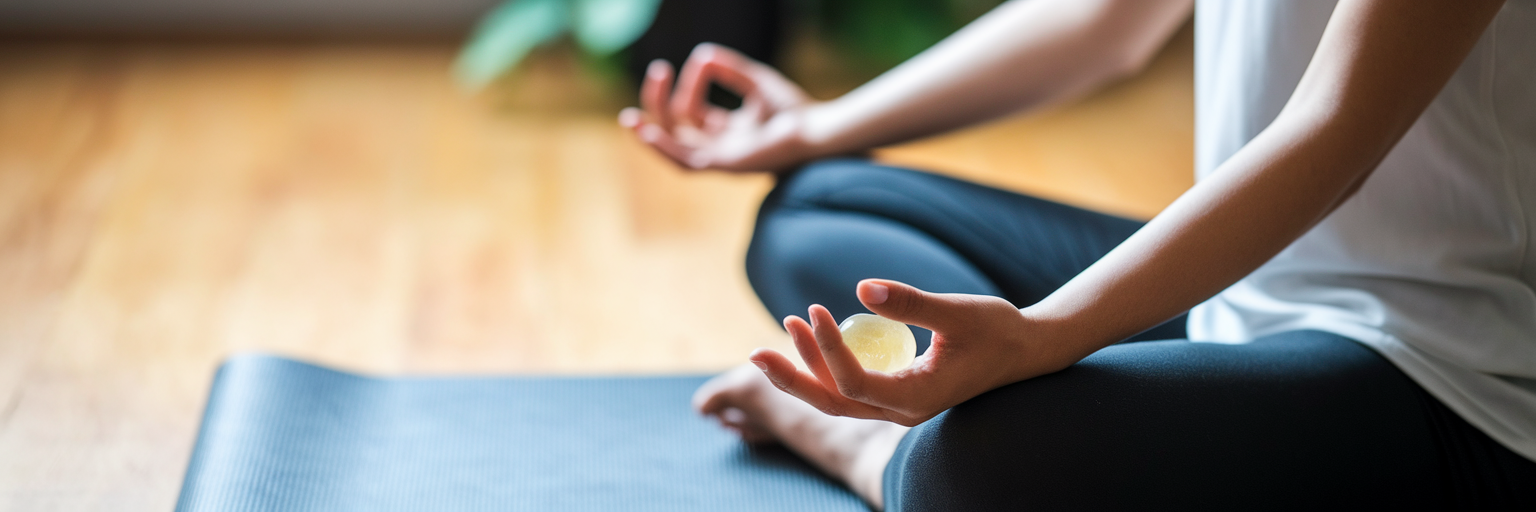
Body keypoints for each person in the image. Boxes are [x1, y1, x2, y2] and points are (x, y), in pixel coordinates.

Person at [618, 0, 1536, 508]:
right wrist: (817, 126)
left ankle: (866, 451)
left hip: (1443, 371)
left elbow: (1334, 133)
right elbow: (1105, 22)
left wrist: (1045, 337)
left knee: (963, 472)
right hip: (1243, 296)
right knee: (816, 208)